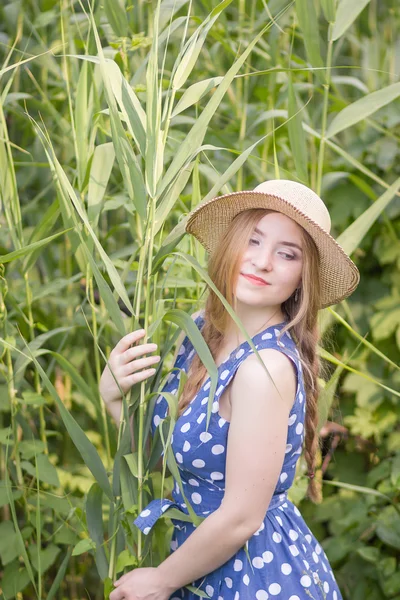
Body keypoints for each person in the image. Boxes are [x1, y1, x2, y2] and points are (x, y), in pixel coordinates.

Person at [100, 179, 360, 600]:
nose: (262, 262)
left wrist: (162, 579)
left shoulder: (265, 367)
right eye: (253, 240)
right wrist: (114, 397)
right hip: (198, 565)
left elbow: (241, 516)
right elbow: (158, 461)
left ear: (301, 278)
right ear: (231, 244)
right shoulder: (202, 333)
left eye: (287, 253)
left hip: (250, 575)